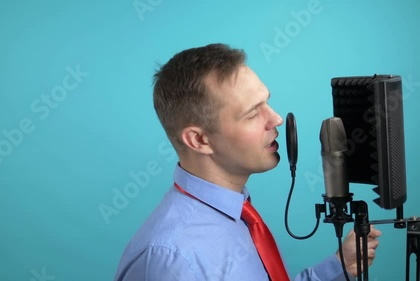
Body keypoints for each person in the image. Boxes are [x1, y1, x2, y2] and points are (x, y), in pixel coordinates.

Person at [113, 43, 381, 281]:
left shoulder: (236, 211)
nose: (276, 119)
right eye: (253, 113)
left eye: (266, 103)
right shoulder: (169, 261)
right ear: (199, 140)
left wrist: (337, 267)